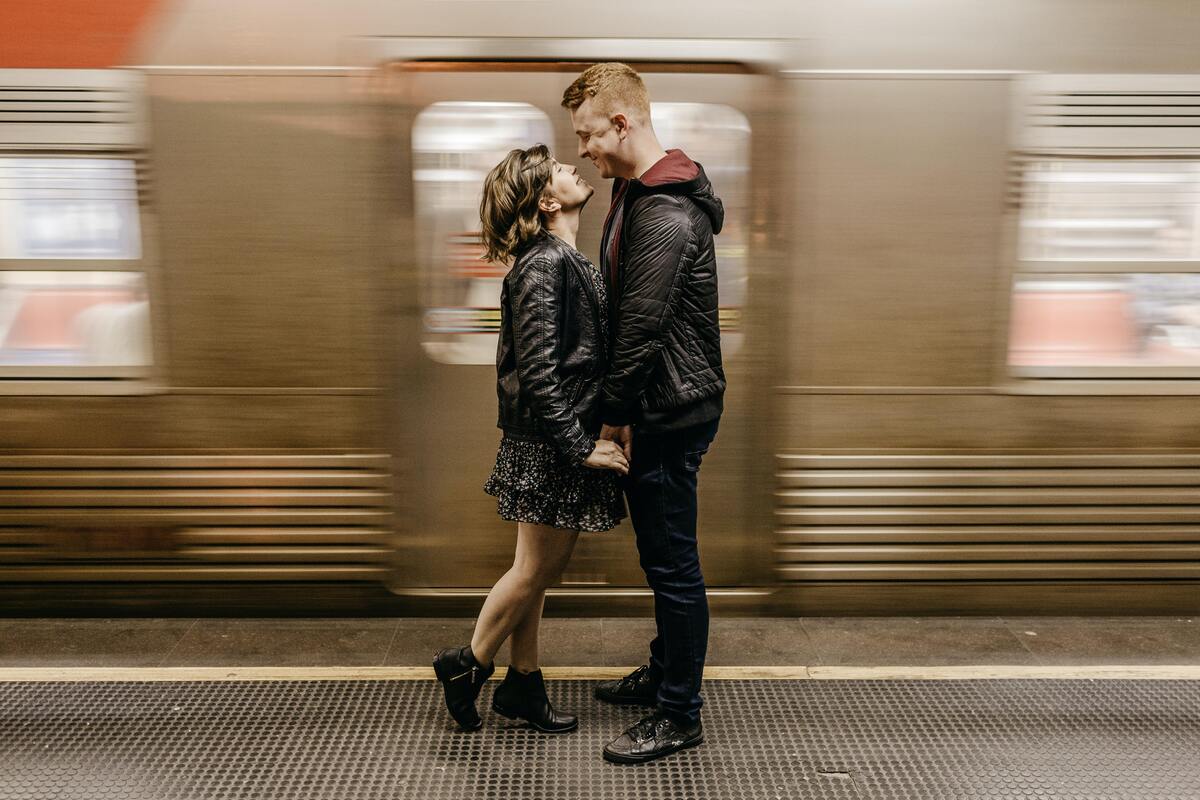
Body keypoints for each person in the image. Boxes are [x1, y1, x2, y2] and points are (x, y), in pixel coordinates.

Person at [432, 144, 629, 734]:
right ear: (546, 201)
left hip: (546, 438)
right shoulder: (545, 264)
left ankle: (524, 683)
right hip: (549, 442)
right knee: (535, 571)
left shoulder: (557, 257)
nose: (572, 168)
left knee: (534, 570)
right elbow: (541, 371)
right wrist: (580, 445)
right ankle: (466, 665)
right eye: (558, 172)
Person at [563, 63, 727, 765]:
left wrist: (609, 420)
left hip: (669, 409)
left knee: (673, 568)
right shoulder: (637, 191)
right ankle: (666, 672)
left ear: (622, 122)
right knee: (662, 558)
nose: (583, 150)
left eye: (588, 134)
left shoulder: (665, 211)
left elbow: (639, 331)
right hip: (662, 402)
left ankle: (679, 712)